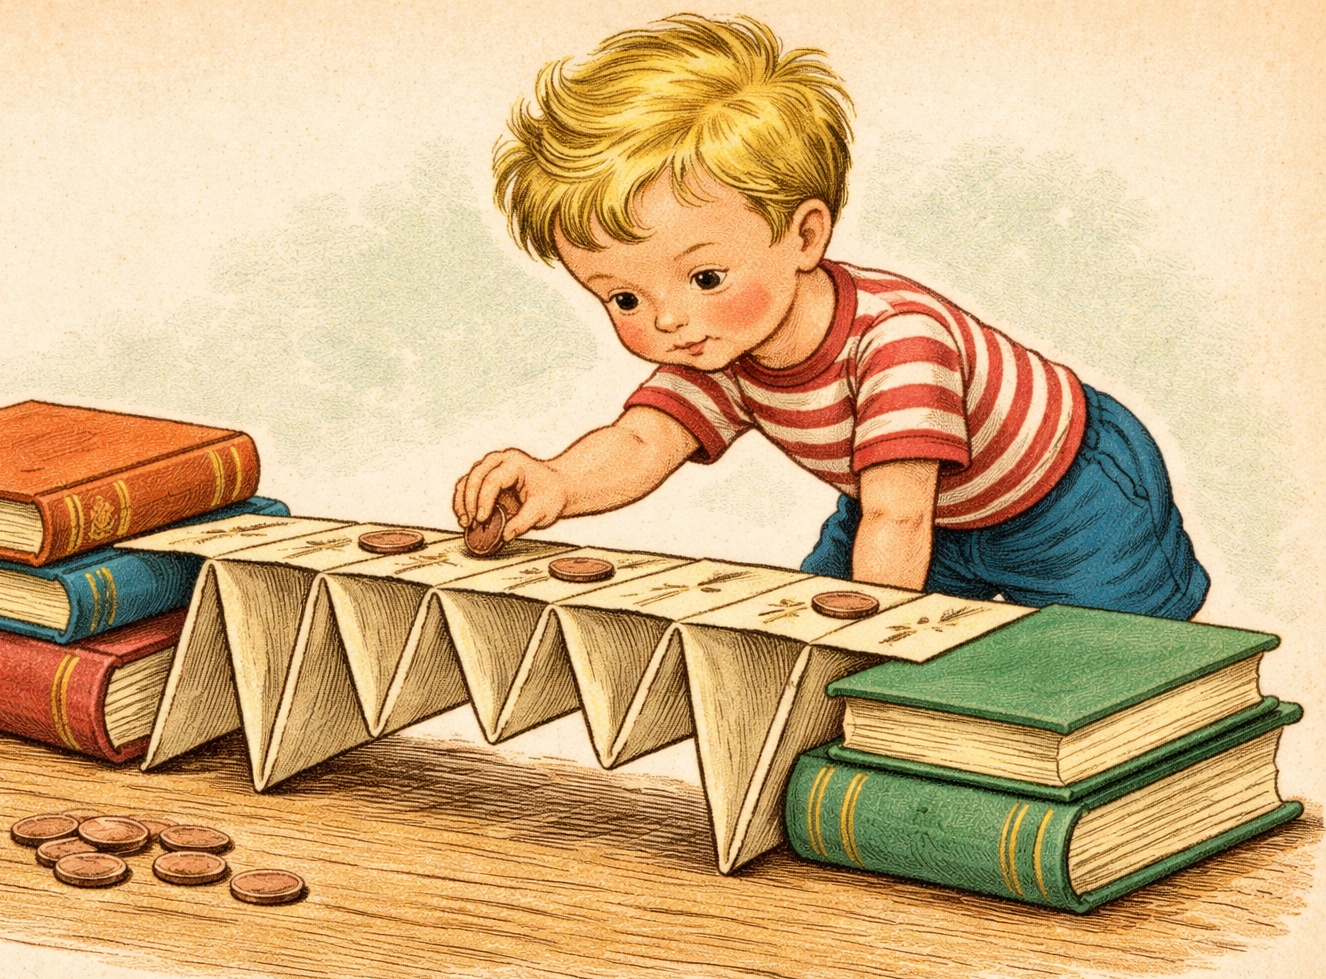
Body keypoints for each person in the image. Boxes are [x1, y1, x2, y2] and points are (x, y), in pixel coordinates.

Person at [453, 13, 1208, 619]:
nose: (671, 321)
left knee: (1121, 668)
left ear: (805, 235)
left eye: (705, 276)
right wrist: (555, 481)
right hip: (912, 511)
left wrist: (871, 634)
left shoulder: (897, 341)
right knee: (807, 632)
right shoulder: (721, 345)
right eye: (624, 298)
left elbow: (899, 519)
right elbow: (645, 439)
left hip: (1070, 499)